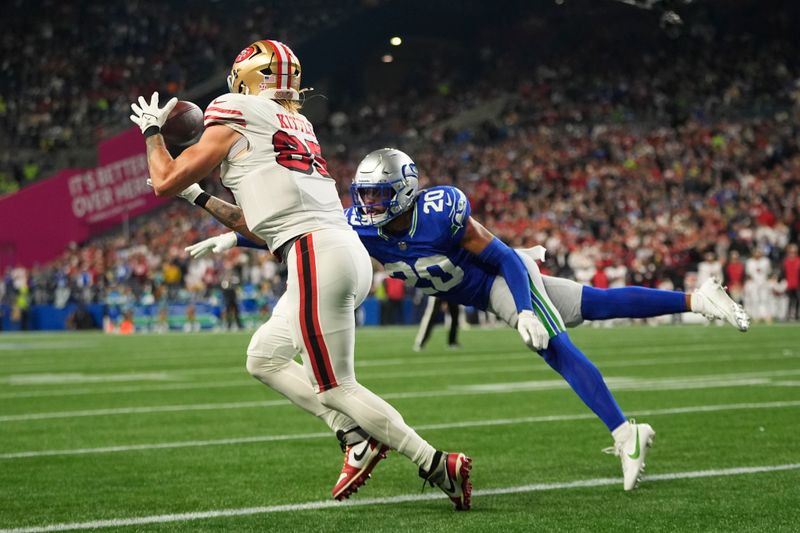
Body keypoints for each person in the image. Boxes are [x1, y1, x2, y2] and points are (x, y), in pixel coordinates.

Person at [185, 148, 751, 492]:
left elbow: (503, 255)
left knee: (551, 341)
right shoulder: (360, 225)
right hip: (480, 295)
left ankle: (626, 432)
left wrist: (525, 307)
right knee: (592, 303)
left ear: (406, 190)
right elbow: (297, 234)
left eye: (382, 195)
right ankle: (697, 301)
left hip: (501, 283)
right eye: (367, 195)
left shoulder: (440, 210)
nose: (371, 205)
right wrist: (231, 236)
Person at [130, 42, 471, 510]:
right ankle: (352, 434)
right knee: (264, 357)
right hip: (336, 250)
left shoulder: (234, 108)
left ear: (247, 77)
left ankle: (434, 462)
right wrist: (199, 198)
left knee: (336, 385)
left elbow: (162, 179)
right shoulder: (298, 123)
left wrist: (153, 133)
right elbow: (264, 225)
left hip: (315, 252)